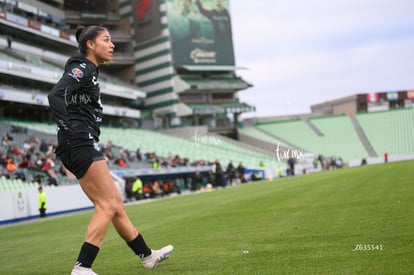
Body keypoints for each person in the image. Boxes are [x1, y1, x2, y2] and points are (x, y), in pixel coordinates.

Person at [47, 25, 173, 275]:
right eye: (106, 40)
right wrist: (68, 129)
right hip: (80, 141)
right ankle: (82, 267)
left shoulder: (90, 70)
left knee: (115, 204)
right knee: (107, 205)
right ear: (91, 45)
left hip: (80, 142)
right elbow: (55, 95)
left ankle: (147, 256)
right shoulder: (82, 67)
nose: (112, 45)